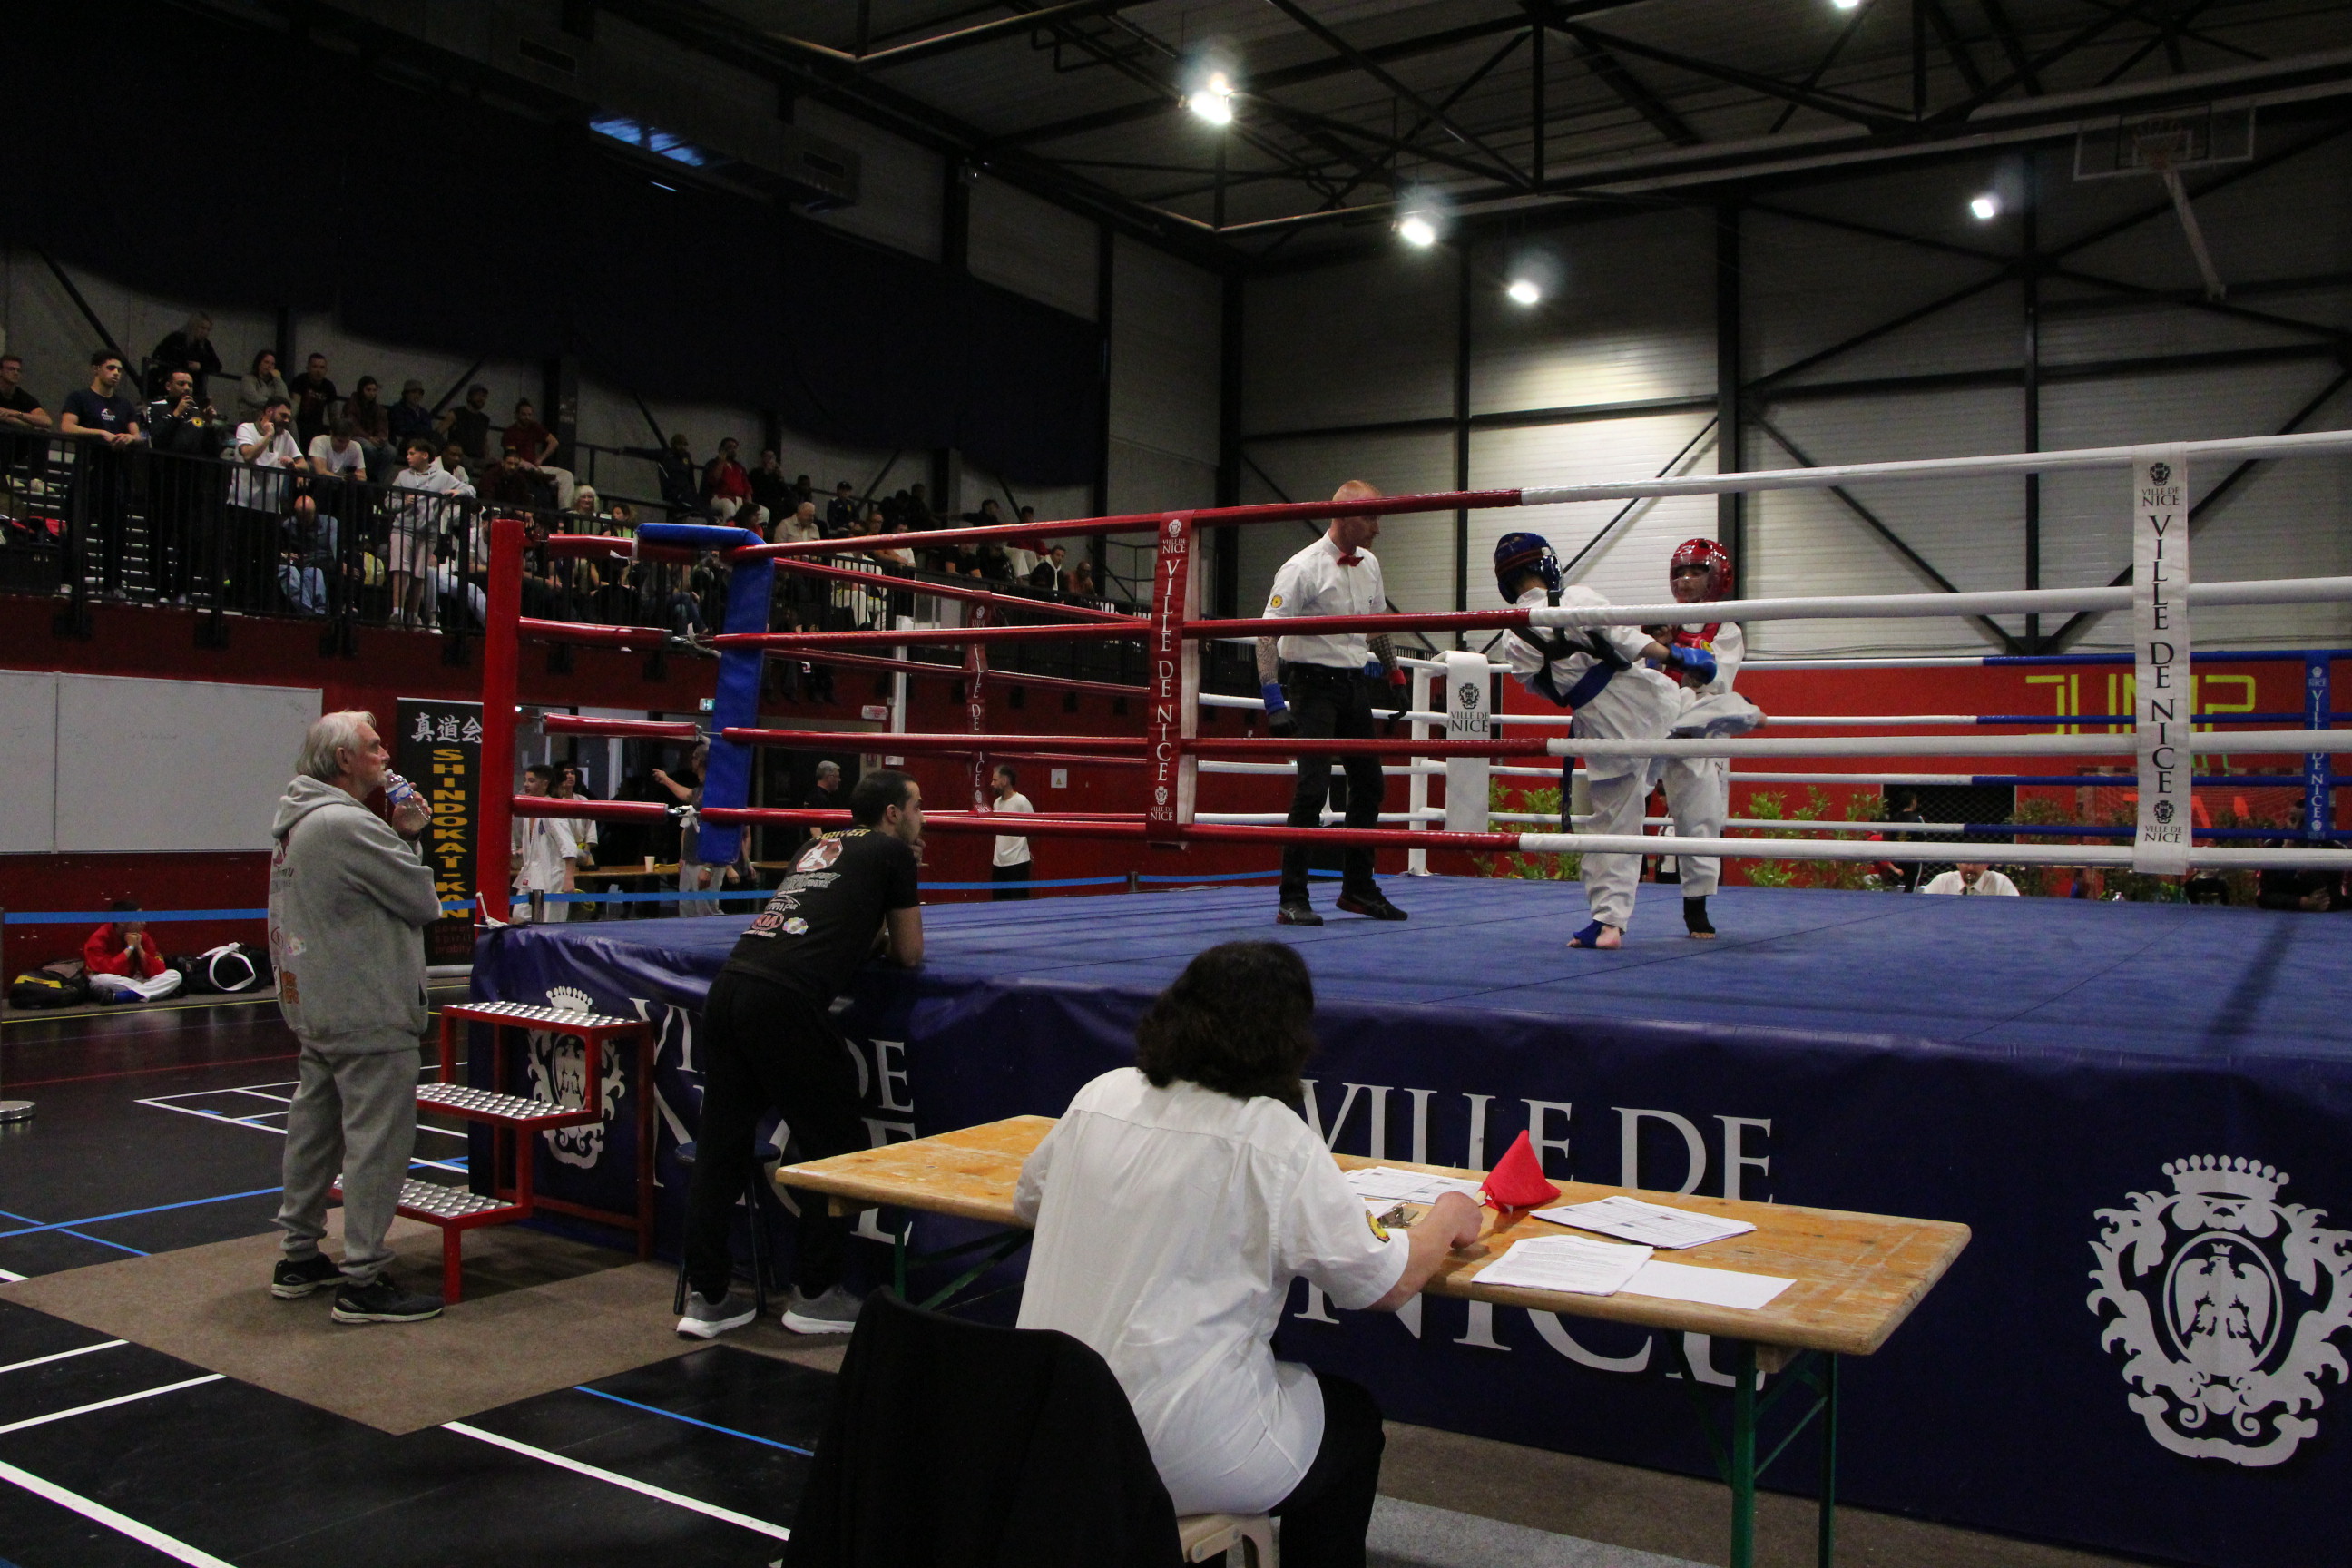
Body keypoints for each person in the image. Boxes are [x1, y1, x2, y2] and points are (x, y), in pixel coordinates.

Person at [1014, 941, 1481, 1565]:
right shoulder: (1272, 1136)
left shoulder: (1100, 1095)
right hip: (1175, 1447)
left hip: (1049, 1425)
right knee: (1352, 1420)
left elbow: (1030, 1200)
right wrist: (1448, 1216)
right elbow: (1385, 1283)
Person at [678, 769, 926, 1339]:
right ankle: (815, 1294)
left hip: (731, 985)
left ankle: (707, 1299)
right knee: (837, 1144)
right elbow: (909, 953)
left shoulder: (817, 847)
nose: (924, 817)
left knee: (721, 1147)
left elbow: (829, 923)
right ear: (892, 814)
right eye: (917, 806)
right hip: (784, 1002)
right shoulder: (893, 854)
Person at [267, 710, 445, 1324]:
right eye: (373, 746)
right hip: (368, 1009)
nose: (385, 754)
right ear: (344, 760)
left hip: (316, 1004)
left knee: (313, 1132)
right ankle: (364, 1279)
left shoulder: (296, 820)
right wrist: (410, 834)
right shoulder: (346, 823)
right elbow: (423, 900)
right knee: (376, 1143)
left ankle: (298, 1257)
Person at [1492, 532, 1711, 950]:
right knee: (1697, 762)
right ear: (1546, 565)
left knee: (1613, 824)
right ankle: (1732, 712)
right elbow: (1629, 640)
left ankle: (1607, 922)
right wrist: (1680, 656)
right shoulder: (1576, 598)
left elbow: (1538, 686)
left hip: (1601, 728)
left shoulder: (1511, 637)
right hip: (1650, 703)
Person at [1257, 481, 1410, 926]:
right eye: (1370, 518)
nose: (1378, 528)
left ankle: (1357, 889)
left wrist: (1396, 676)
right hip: (1311, 687)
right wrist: (1273, 699)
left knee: (1370, 784)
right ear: (1342, 516)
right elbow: (1265, 633)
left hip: (1354, 685)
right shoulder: (1301, 568)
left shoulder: (1370, 564)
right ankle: (1292, 897)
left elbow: (1375, 624)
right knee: (1312, 788)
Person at [1642, 538, 1762, 938]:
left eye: (1696, 571)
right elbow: (1641, 678)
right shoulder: (1657, 622)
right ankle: (1613, 906)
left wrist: (1672, 650)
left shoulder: (1726, 629)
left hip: (1698, 726)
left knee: (1700, 817)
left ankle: (1696, 908)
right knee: (1623, 804)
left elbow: (1717, 679)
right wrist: (1654, 648)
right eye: (1680, 572)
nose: (1686, 580)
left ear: (1717, 578)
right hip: (1655, 719)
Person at [61, 351, 145, 597]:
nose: (116, 373)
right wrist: (100, 433)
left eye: (119, 369)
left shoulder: (124, 405)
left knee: (115, 534)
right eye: (111, 368)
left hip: (115, 475)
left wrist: (128, 438)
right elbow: (67, 426)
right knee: (77, 529)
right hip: (87, 471)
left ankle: (112, 585)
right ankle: (69, 580)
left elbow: (138, 435)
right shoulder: (79, 397)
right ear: (96, 369)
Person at [144, 368, 222, 603]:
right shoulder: (156, 408)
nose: (187, 388)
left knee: (192, 541)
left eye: (190, 385)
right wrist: (177, 414)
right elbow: (158, 438)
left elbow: (213, 450)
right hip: (164, 482)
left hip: (192, 485)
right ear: (169, 386)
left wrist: (209, 425)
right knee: (159, 539)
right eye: (181, 384)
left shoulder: (198, 412)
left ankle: (182, 591)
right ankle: (161, 591)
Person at [388, 436, 475, 629]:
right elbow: (389, 502)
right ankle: (396, 614)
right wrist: (403, 503)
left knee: (419, 574)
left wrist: (458, 492)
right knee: (400, 569)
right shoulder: (403, 476)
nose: (408, 457)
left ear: (424, 455)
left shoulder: (442, 477)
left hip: (428, 533)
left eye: (412, 453)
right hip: (403, 528)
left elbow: (470, 490)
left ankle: (412, 616)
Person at [511, 764, 580, 921]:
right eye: (525, 780)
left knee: (549, 924)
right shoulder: (529, 810)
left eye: (531, 781)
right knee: (519, 916)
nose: (526, 785)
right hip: (530, 874)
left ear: (544, 784)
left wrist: (569, 878)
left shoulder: (552, 809)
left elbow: (569, 847)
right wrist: (519, 853)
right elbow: (536, 845)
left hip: (552, 877)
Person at [83, 900, 182, 1003]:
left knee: (174, 975)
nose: (144, 923)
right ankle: (157, 992)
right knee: (107, 979)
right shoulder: (99, 937)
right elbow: (108, 969)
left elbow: (157, 970)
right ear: (121, 921)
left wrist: (139, 948)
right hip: (108, 978)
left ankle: (119, 998)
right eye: (138, 919)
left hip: (133, 978)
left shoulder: (142, 936)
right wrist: (130, 948)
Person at [147, 313, 221, 398]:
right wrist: (181, 363)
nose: (205, 332)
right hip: (172, 385)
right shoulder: (176, 338)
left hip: (194, 388)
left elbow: (217, 366)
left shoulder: (206, 345)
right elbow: (158, 355)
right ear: (194, 326)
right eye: (202, 328)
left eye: (208, 330)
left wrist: (201, 366)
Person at [989, 764, 1034, 899]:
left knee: (1018, 905)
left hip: (1017, 863)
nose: (992, 784)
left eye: (995, 780)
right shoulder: (996, 803)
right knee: (998, 904)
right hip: (998, 863)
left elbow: (1033, 829)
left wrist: (1024, 850)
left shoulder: (1022, 802)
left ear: (1005, 781)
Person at [288, 352, 338, 448]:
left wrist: (337, 431)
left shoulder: (329, 386)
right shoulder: (300, 381)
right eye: (315, 366)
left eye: (322, 367)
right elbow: (295, 406)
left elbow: (333, 415)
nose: (318, 370)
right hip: (300, 424)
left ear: (326, 370)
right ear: (308, 368)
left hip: (318, 426)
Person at [439, 384, 493, 463]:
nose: (481, 398)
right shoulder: (456, 413)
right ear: (469, 397)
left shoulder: (484, 419)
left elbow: (484, 441)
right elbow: (438, 433)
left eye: (484, 396)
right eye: (478, 395)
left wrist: (487, 457)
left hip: (478, 458)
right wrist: (449, 450)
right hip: (459, 457)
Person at [701, 436, 752, 520]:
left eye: (735, 447)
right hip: (719, 498)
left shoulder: (739, 467)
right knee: (729, 505)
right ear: (722, 449)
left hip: (738, 499)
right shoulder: (713, 463)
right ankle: (730, 527)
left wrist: (750, 506)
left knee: (764, 512)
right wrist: (721, 461)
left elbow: (747, 488)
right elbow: (713, 480)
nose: (733, 450)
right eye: (730, 447)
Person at [237, 349, 291, 424]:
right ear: (259, 364)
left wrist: (278, 379)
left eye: (272, 364)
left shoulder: (275, 382)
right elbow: (253, 398)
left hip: (272, 414)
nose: (269, 366)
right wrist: (275, 406)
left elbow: (285, 400)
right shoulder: (248, 379)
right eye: (266, 362)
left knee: (290, 421)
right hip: (252, 415)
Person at [1921, 861, 2021, 896]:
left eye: (1976, 863)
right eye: (1966, 863)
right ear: (1958, 863)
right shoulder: (1942, 881)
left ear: (1986, 865)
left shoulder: (2000, 882)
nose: (1970, 868)